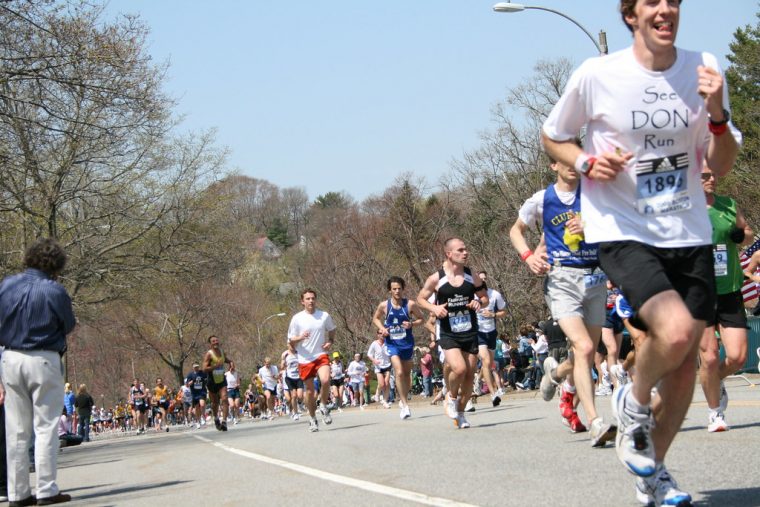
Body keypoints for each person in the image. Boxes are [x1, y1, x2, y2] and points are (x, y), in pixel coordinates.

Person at [542, 0, 741, 503]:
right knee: (674, 333)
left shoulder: (705, 69)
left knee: (684, 369)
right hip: (623, 228)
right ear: (631, 14)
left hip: (687, 230)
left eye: (673, 0)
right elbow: (553, 136)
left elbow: (723, 161)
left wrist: (717, 115)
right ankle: (631, 398)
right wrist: (586, 162)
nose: (666, 9)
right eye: (653, 1)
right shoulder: (598, 74)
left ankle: (654, 474)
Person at [509, 148, 614, 444]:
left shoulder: (595, 194)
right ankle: (595, 421)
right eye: (565, 160)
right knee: (582, 345)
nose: (572, 166)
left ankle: (557, 378)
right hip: (562, 279)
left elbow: (618, 224)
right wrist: (529, 256)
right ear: (554, 164)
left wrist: (591, 224)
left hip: (595, 277)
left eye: (576, 159)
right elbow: (515, 231)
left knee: (586, 353)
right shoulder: (542, 199)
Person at [0, 237, 76, 505]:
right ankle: (46, 489)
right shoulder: (55, 291)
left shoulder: (7, 285)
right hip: (43, 357)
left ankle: (17, 493)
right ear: (56, 264)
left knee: (16, 430)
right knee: (45, 426)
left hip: (10, 357)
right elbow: (67, 325)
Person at [698, 165, 752, 432]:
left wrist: (740, 235)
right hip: (698, 292)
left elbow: (748, 233)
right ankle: (714, 413)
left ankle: (712, 379)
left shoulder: (728, 204)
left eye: (713, 174)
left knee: (738, 357)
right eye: (705, 175)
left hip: (729, 288)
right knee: (708, 356)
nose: (712, 179)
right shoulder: (684, 208)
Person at [417, 237, 487, 429]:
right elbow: (420, 299)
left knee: (469, 376)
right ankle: (451, 396)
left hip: (470, 330)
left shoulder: (472, 275)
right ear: (449, 254)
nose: (465, 253)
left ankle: (461, 413)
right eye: (460, 250)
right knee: (459, 369)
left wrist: (478, 302)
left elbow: (484, 297)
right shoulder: (436, 278)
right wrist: (434, 308)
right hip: (448, 331)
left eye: (466, 249)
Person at [372, 276, 425, 419]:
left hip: (407, 344)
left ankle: (404, 397)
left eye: (399, 288)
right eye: (394, 289)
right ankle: (404, 405)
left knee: (407, 375)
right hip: (392, 344)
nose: (397, 291)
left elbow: (422, 319)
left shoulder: (410, 305)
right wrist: (382, 328)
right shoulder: (384, 305)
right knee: (399, 372)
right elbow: (375, 318)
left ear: (403, 289)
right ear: (390, 290)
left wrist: (412, 324)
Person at [287, 288, 337, 432]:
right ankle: (312, 418)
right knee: (309, 392)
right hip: (304, 358)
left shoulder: (324, 315)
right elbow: (291, 340)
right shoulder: (297, 318)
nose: (311, 301)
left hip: (320, 355)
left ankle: (323, 405)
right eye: (308, 299)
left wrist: (330, 341)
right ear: (302, 301)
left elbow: (332, 329)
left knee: (326, 380)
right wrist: (300, 337)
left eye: (313, 298)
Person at [474, 271, 507, 407]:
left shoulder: (495, 295)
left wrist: (493, 314)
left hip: (491, 333)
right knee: (486, 361)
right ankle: (493, 394)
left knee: (488, 364)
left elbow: (504, 312)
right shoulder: (472, 297)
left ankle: (478, 380)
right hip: (478, 333)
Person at [202, 335, 232, 431]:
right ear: (210, 343)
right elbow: (204, 368)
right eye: (213, 341)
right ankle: (216, 418)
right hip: (212, 381)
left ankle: (224, 421)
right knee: (215, 403)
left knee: (224, 399)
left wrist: (231, 363)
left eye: (216, 340)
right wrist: (215, 366)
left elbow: (226, 360)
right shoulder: (209, 354)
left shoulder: (222, 352)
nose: (215, 342)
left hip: (222, 380)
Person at [367, 330, 392, 408]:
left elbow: (391, 351)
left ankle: (385, 401)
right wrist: (374, 360)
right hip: (379, 366)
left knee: (387, 383)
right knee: (381, 384)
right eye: (380, 333)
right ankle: (377, 394)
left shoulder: (387, 342)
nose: (382, 335)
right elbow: (369, 354)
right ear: (377, 334)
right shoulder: (374, 344)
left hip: (387, 365)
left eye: (383, 333)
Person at [281, 342, 305, 420]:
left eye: (294, 345)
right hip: (289, 377)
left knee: (300, 396)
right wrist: (284, 362)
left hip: (298, 377)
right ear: (288, 345)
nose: (292, 346)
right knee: (294, 395)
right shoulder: (285, 354)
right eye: (291, 345)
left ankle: (300, 404)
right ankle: (295, 413)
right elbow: (281, 366)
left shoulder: (299, 352)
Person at [185, 363, 208, 429]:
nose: (196, 368)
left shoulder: (202, 373)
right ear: (193, 367)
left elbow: (207, 378)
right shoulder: (190, 374)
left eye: (197, 367)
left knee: (202, 404)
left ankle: (203, 416)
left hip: (202, 391)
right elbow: (187, 384)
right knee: (197, 408)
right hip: (194, 393)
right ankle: (198, 421)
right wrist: (192, 381)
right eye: (195, 367)